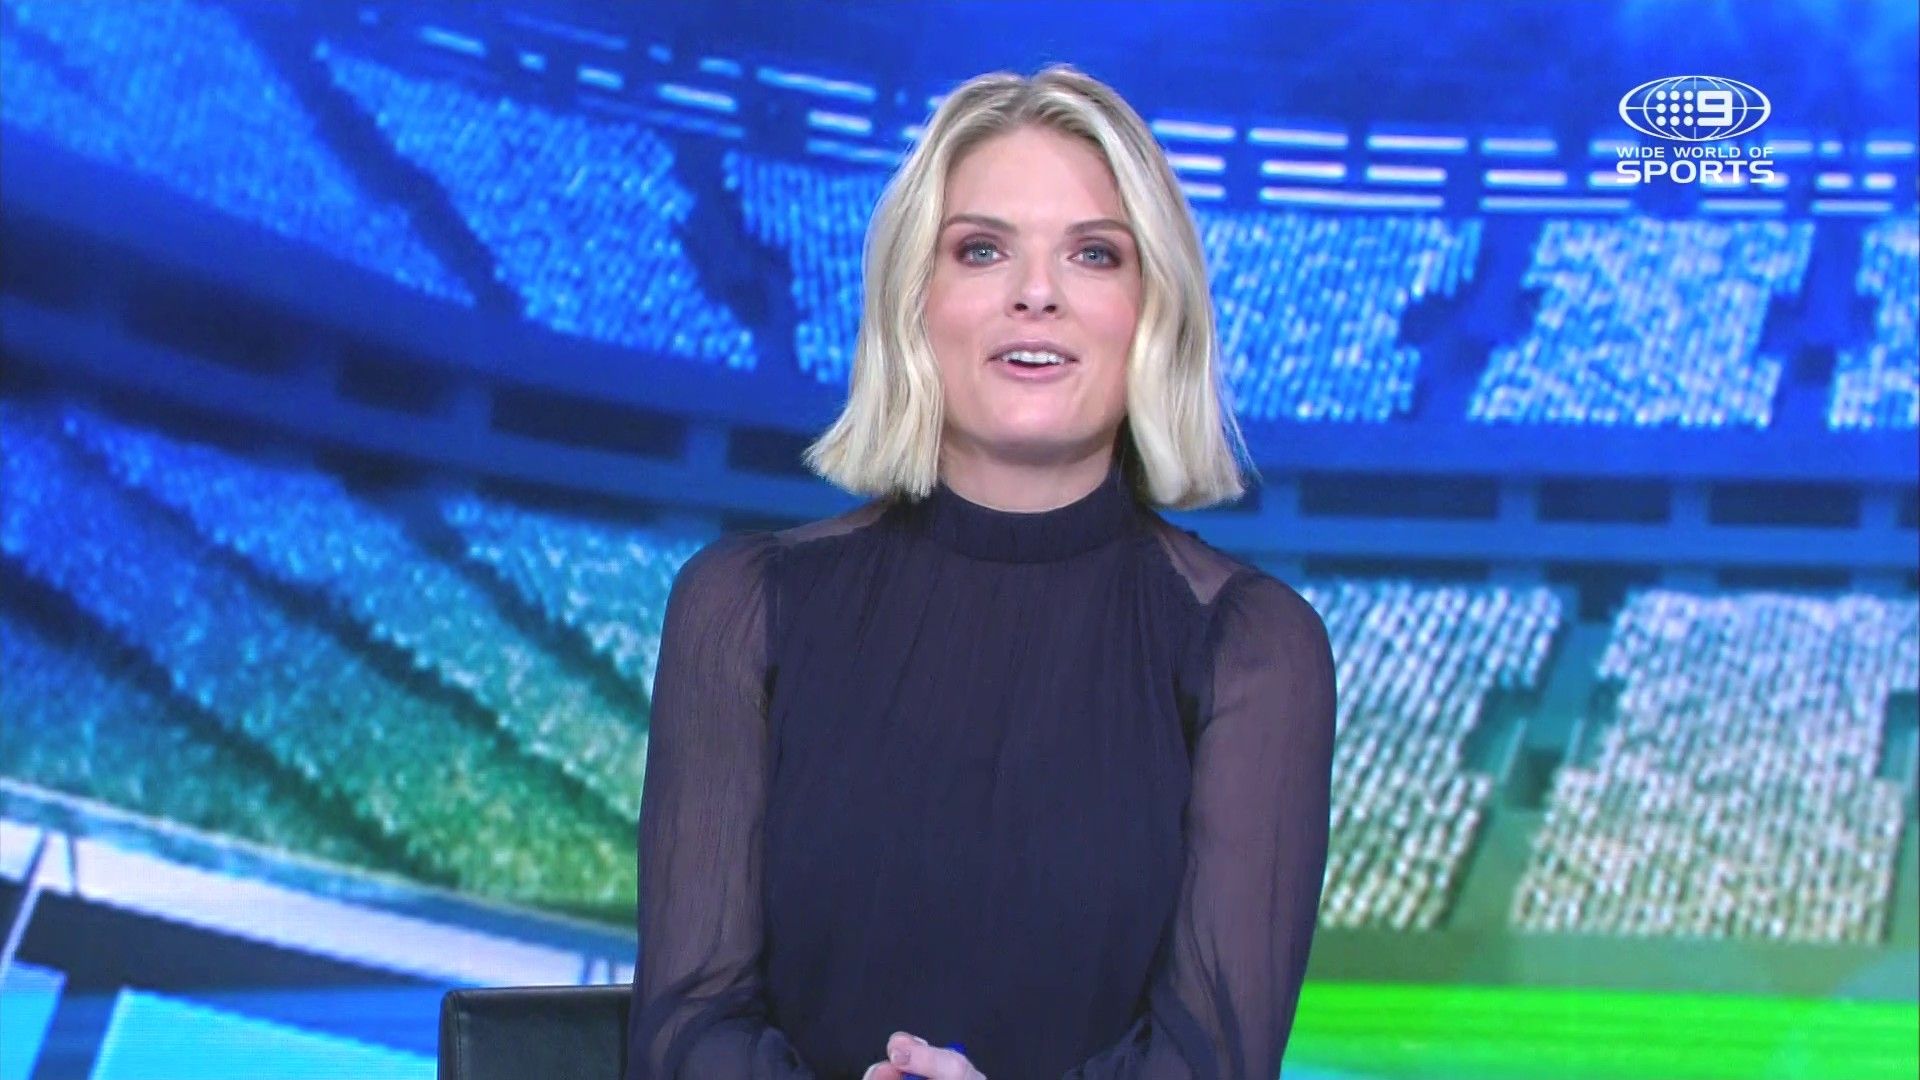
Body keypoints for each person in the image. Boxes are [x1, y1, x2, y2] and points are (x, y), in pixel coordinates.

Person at [626, 64, 1337, 1080]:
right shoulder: (742, 607)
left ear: (1154, 310)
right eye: (982, 249)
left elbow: (1208, 1059)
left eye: (1094, 254)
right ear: (914, 301)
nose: (1035, 293)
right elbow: (686, 1028)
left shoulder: (1254, 644)